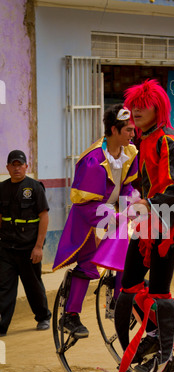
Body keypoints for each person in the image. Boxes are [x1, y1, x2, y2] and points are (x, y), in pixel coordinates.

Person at [114, 79, 174, 372]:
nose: (135, 110)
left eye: (142, 105)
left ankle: (167, 354)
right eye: (133, 105)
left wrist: (151, 203)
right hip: (149, 223)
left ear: (157, 108)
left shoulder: (167, 140)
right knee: (129, 287)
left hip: (169, 223)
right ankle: (153, 336)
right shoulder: (144, 140)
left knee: (159, 292)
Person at [52, 104, 139, 339]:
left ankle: (120, 302)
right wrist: (116, 217)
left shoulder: (130, 153)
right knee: (89, 266)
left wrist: (130, 204)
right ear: (114, 129)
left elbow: (128, 184)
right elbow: (85, 204)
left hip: (115, 214)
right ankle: (70, 316)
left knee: (128, 254)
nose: (133, 134)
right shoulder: (93, 160)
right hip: (89, 218)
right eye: (128, 130)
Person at [0, 150, 51, 336]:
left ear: (26, 167)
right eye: (13, 165)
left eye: (20, 164)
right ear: (7, 167)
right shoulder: (2, 188)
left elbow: (44, 216)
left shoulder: (34, 188)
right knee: (4, 287)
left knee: (33, 285)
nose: (16, 168)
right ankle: (2, 325)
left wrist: (39, 246)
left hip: (28, 248)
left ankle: (43, 317)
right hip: (6, 247)